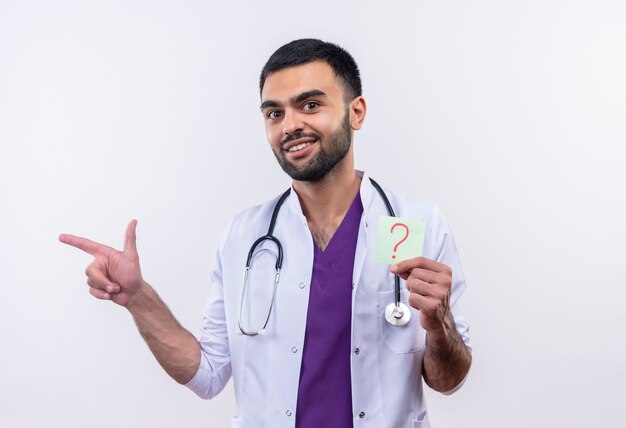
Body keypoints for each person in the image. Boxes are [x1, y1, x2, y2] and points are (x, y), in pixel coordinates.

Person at [59, 38, 472, 428]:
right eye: (274, 113)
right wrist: (138, 299)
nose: (289, 125)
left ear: (356, 112)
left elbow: (447, 380)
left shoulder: (414, 224)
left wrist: (440, 325)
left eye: (310, 104)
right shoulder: (245, 237)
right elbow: (207, 374)